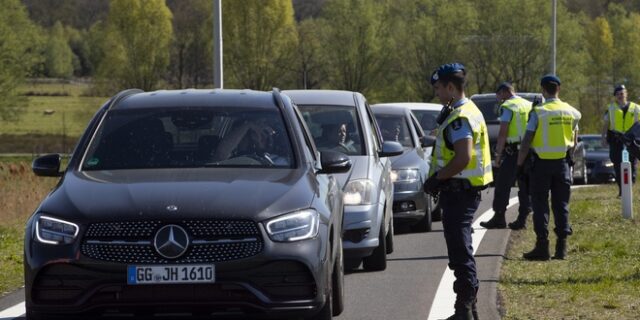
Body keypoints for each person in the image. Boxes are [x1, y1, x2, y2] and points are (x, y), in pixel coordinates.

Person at [423, 63, 493, 320]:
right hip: (462, 191)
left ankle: (463, 310)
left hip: (458, 192)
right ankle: (468, 310)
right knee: (461, 249)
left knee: (460, 252)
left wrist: (437, 179)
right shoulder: (468, 110)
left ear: (451, 88)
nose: (438, 93)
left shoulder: (460, 118)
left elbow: (463, 157)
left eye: (439, 88)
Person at [516, 75, 581, 261]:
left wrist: (519, 165)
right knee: (561, 205)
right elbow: (574, 140)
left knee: (540, 204)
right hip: (562, 164)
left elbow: (527, 140)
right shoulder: (572, 112)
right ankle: (561, 248)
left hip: (541, 165)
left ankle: (542, 246)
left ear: (543, 90)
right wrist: (570, 155)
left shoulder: (539, 112)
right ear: (558, 89)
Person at [480, 82, 533, 230]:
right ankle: (522, 219)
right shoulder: (528, 105)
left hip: (513, 152)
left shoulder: (508, 107)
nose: (498, 99)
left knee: (503, 185)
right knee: (524, 186)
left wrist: (497, 156)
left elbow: (503, 133)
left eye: (498, 95)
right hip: (529, 151)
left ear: (504, 92)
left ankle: (499, 217)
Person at [601, 84, 640, 196]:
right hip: (616, 140)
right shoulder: (610, 108)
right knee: (617, 165)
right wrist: (603, 138)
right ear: (615, 96)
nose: (620, 96)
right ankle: (622, 190)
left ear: (626, 94)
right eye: (618, 94)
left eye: (622, 93)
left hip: (631, 140)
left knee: (632, 164)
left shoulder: (636, 107)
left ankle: (630, 187)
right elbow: (605, 125)